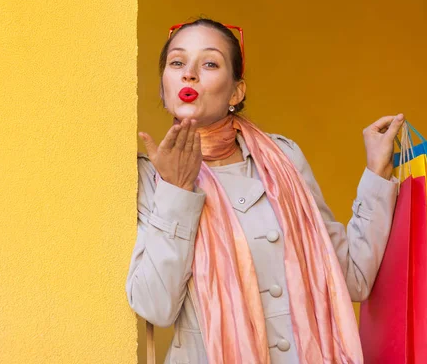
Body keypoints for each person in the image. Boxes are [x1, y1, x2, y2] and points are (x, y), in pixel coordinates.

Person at [126, 18, 403, 364]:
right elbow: (155, 306)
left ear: (236, 92)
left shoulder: (282, 159)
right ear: (163, 88)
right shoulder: (148, 177)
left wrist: (376, 173)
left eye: (209, 63)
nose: (189, 74)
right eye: (177, 63)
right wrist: (177, 190)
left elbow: (352, 279)